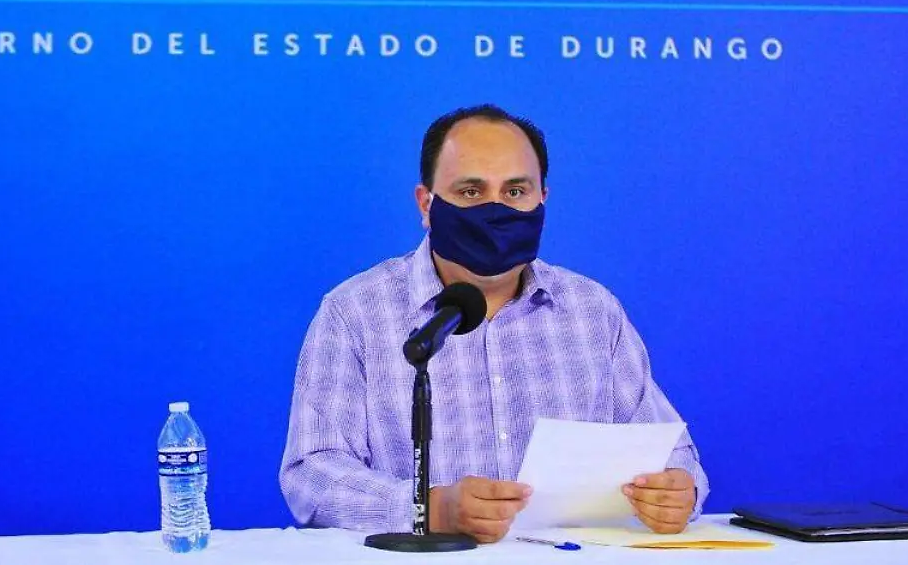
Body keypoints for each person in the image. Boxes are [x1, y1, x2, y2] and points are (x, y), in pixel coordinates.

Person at [279, 104, 708, 542]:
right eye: (471, 192)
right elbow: (311, 474)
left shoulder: (592, 311)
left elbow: (672, 452)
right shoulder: (356, 313)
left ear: (543, 198)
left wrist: (677, 491)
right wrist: (430, 507)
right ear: (426, 204)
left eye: (515, 191)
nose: (496, 210)